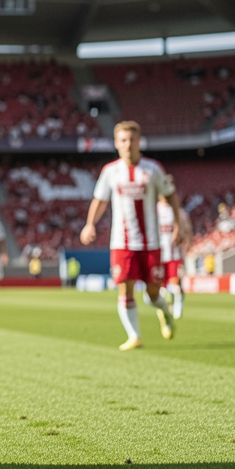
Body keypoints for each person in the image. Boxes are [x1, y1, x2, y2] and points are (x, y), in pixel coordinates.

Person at [81, 121, 182, 350]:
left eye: (132, 140)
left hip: (151, 243)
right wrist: (89, 224)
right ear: (116, 143)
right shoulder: (110, 171)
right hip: (121, 243)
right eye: (123, 140)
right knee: (124, 288)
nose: (128, 145)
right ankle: (135, 336)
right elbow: (100, 200)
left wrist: (177, 224)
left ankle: (164, 311)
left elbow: (170, 195)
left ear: (139, 142)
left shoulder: (153, 169)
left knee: (152, 292)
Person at [157, 184, 192, 319]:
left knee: (175, 282)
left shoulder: (179, 212)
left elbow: (187, 231)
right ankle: (168, 306)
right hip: (159, 254)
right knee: (162, 285)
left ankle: (179, 302)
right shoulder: (155, 211)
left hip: (175, 253)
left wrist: (185, 240)